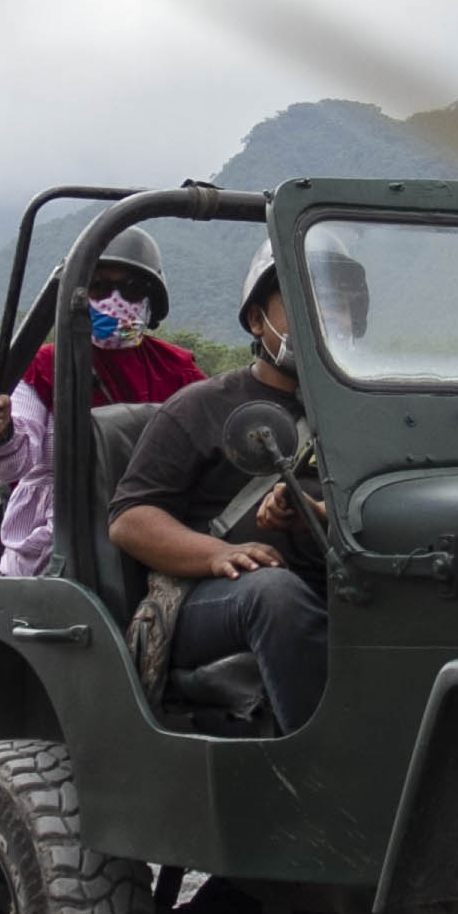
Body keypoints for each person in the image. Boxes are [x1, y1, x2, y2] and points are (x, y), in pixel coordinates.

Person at [110, 244, 327, 732]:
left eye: (340, 306)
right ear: (257, 320)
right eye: (304, 304)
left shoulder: (363, 411)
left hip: (338, 579)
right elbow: (130, 519)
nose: (324, 320)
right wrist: (214, 554)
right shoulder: (200, 407)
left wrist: (315, 513)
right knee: (273, 595)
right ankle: (319, 773)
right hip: (211, 600)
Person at [0, 229, 202, 580]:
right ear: (78, 296)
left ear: (151, 301)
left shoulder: (177, 370)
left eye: (131, 289)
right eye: (100, 288)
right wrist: (0, 429)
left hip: (156, 528)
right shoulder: (44, 366)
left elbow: (212, 438)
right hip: (59, 540)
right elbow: (15, 463)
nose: (115, 300)